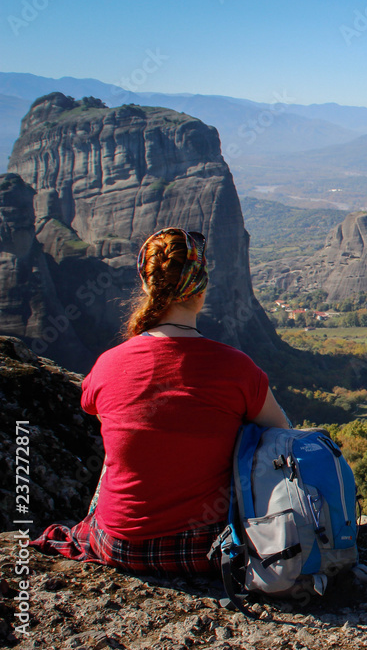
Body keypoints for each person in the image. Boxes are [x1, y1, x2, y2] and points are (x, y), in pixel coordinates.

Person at [31, 227, 288, 575]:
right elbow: (282, 433)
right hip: (209, 549)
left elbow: (94, 407)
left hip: (117, 546)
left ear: (146, 284)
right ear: (202, 290)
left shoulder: (108, 364)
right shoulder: (237, 368)